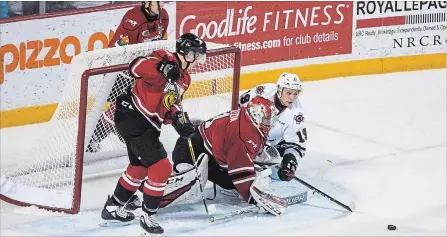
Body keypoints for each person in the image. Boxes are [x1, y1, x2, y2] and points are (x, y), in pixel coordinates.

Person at [99, 32, 207, 236]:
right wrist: (162, 68)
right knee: (161, 166)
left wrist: (177, 119)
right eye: (197, 56)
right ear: (188, 54)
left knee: (139, 168)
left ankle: (113, 208)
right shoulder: (163, 57)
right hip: (132, 115)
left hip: (147, 123)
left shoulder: (185, 79)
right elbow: (135, 67)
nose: (199, 61)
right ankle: (148, 216)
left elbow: (169, 104)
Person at [168, 96, 288, 216]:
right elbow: (240, 173)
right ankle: (157, 190)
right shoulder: (243, 134)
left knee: (243, 174)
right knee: (194, 184)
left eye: (270, 119)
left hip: (201, 145)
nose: (270, 123)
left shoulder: (247, 117)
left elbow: (250, 150)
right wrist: (254, 198)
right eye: (267, 119)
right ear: (256, 115)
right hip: (190, 151)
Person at [87, 1, 169, 153]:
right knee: (118, 106)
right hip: (122, 68)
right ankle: (94, 138)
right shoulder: (132, 18)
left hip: (144, 69)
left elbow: (157, 44)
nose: (162, 5)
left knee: (136, 106)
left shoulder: (164, 16)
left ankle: (127, 134)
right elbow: (118, 47)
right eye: (158, 1)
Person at [239, 72, 306, 183]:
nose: (292, 98)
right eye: (289, 93)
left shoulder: (297, 113)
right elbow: (238, 107)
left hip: (272, 143)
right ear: (279, 89)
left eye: (295, 94)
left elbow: (297, 144)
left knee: (276, 168)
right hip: (249, 134)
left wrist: (290, 161)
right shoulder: (261, 92)